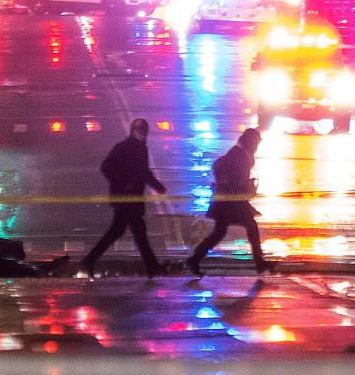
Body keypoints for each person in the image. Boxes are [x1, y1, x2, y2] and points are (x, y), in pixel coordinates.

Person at [81, 118, 167, 278]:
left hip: (130, 198)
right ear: (133, 131)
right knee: (135, 231)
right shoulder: (125, 148)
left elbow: (143, 172)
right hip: (125, 198)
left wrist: (156, 186)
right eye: (140, 131)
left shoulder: (138, 147)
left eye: (144, 132)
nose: (142, 135)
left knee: (124, 231)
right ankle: (152, 267)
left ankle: (90, 260)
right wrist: (124, 183)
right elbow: (106, 167)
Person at [186, 128, 272, 277]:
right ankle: (260, 263)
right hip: (230, 202)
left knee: (220, 232)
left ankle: (194, 259)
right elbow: (234, 180)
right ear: (251, 142)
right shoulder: (239, 156)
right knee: (250, 226)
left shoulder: (241, 153)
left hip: (227, 201)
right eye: (256, 143)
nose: (257, 146)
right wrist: (245, 187)